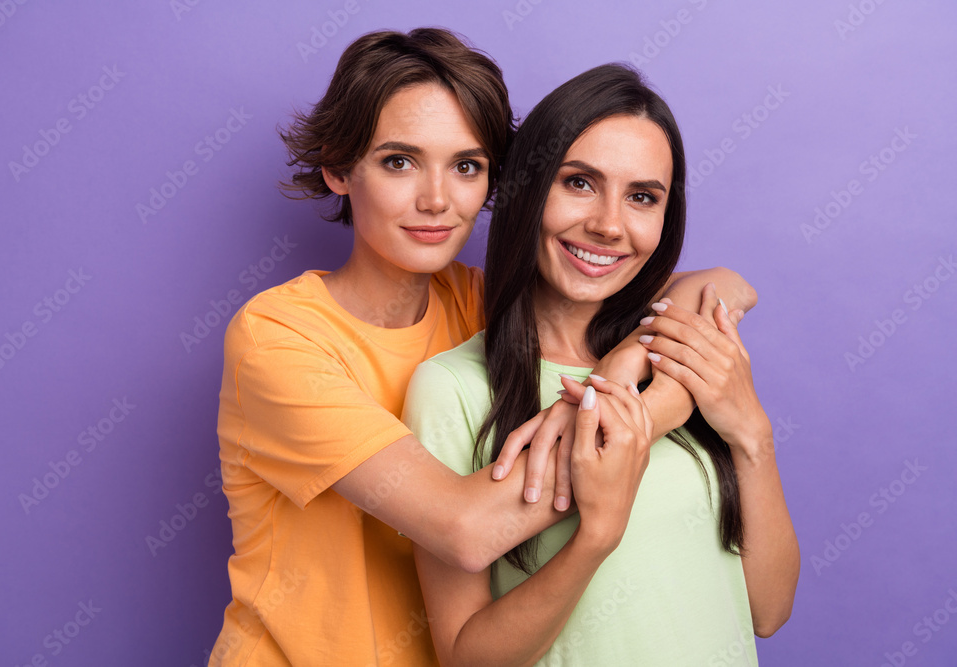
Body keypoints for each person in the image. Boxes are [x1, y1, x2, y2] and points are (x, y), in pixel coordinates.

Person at [209, 29, 758, 666]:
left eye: (466, 166)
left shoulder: (482, 302)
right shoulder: (279, 340)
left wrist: (620, 365)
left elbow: (722, 286)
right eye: (398, 161)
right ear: (338, 166)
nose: (437, 200)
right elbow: (467, 531)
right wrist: (627, 417)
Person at [403, 63, 799, 666]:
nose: (610, 225)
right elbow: (466, 657)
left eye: (642, 197)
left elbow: (769, 610)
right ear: (526, 191)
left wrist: (752, 435)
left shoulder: (680, 358)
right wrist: (595, 539)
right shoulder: (452, 389)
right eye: (580, 183)